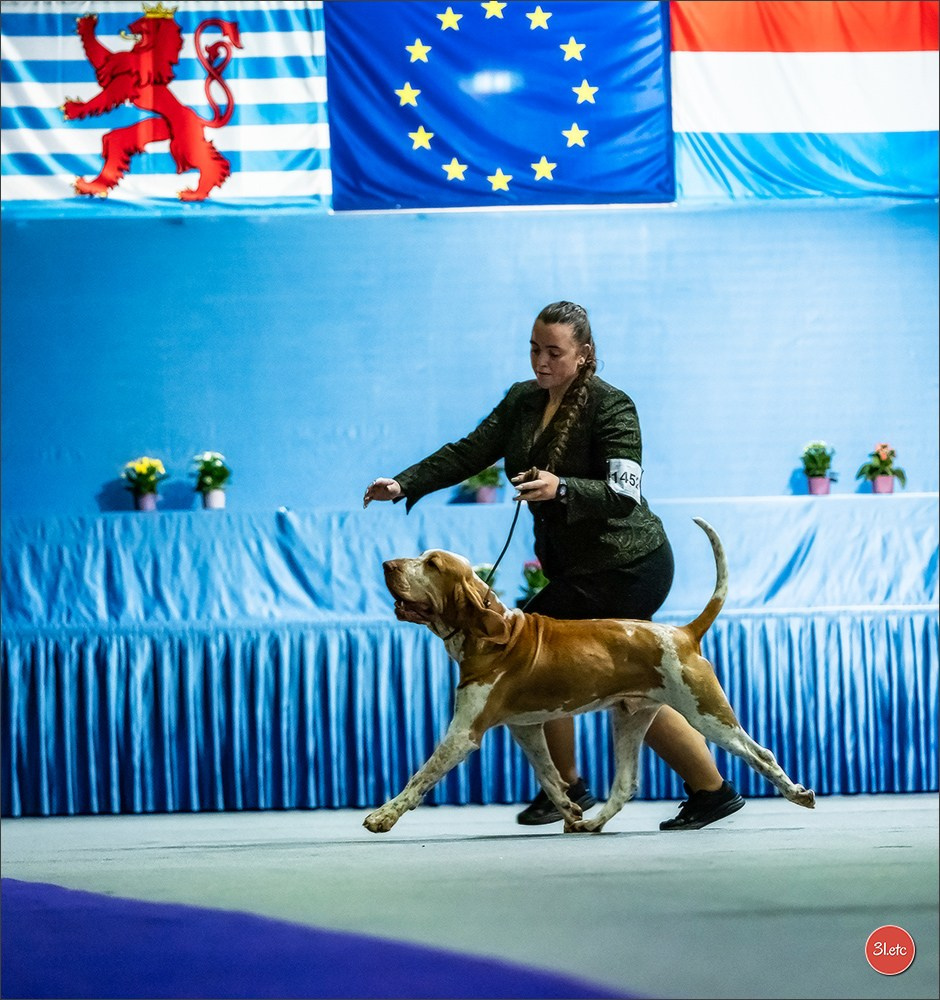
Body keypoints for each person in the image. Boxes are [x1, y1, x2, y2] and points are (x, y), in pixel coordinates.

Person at [363, 301, 744, 831]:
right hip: (575, 569)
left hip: (628, 562)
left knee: (548, 660)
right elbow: (470, 450)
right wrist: (406, 483)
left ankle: (592, 789)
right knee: (622, 680)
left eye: (554, 352)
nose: (540, 362)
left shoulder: (614, 407)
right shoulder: (523, 400)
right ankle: (669, 790)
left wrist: (562, 487)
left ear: (584, 354)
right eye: (534, 350)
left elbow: (623, 494)